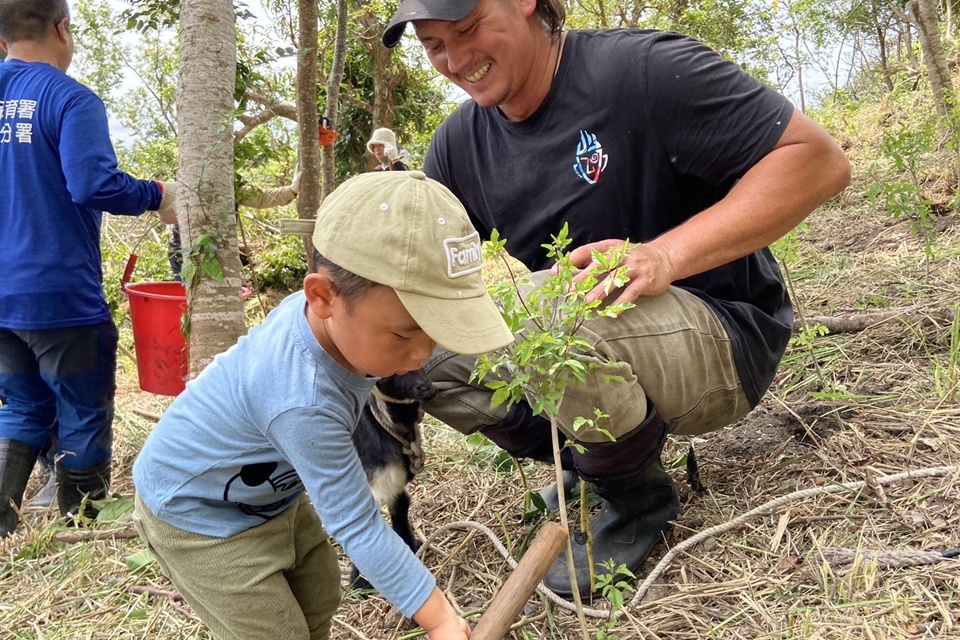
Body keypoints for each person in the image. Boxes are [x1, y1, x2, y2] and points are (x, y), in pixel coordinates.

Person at [383, 0, 852, 599]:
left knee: (550, 309)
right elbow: (416, 281)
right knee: (415, 357)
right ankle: (592, 463)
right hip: (592, 338)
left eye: (469, 29)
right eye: (434, 45)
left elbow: (818, 161)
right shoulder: (457, 146)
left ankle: (634, 499)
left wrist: (664, 256)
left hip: (721, 336)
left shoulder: (642, 72)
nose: (456, 60)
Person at [132, 170, 513, 639]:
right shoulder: (303, 399)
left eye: (434, 331)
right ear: (323, 296)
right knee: (272, 631)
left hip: (267, 496)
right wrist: (443, 620)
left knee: (320, 594)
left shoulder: (331, 321)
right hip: (197, 513)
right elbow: (360, 528)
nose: (422, 354)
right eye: (404, 334)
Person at [0, 0, 177, 537]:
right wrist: (158, 194)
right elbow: (94, 185)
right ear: (62, 28)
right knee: (83, 403)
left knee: (22, 404)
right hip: (57, 293)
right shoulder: (69, 97)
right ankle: (83, 521)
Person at [166, 171, 302, 280]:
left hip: (220, 251)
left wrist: (291, 191)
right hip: (183, 251)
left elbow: (261, 197)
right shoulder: (186, 182)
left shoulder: (229, 184)